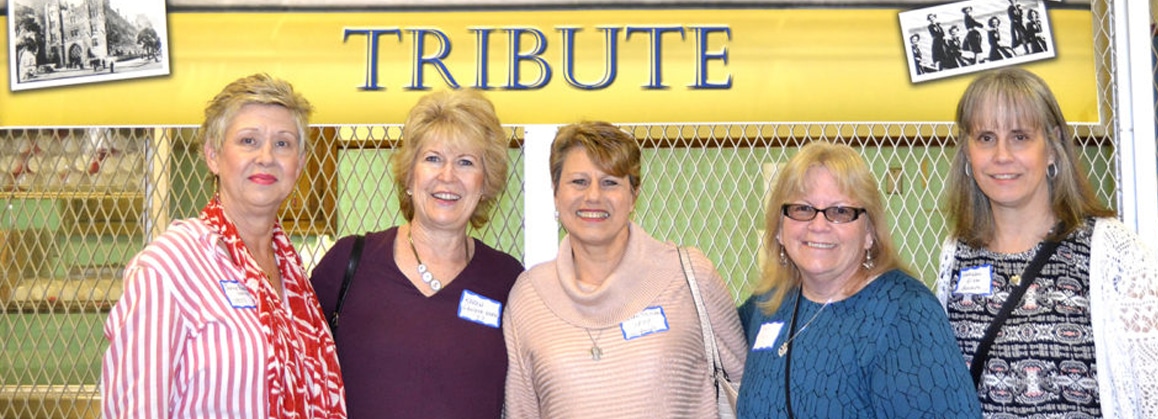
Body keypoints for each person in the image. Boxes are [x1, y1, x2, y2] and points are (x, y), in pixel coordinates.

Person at [937, 67, 1158, 418]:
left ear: (1052, 147)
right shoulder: (958, 253)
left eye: (1019, 136)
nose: (1002, 155)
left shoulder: (1116, 255)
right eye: (986, 137)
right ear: (967, 151)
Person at [101, 74, 346, 418]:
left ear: (300, 163)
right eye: (248, 140)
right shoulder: (169, 267)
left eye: (283, 143)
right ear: (213, 156)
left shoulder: (295, 278)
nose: (266, 157)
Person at [503, 121, 746, 418]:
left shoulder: (691, 276)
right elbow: (521, 411)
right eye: (579, 181)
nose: (593, 196)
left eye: (610, 182)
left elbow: (750, 394)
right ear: (556, 193)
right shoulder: (529, 297)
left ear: (633, 195)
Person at [309, 89, 523, 418]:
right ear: (409, 175)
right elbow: (295, 367)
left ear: (485, 184)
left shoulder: (506, 280)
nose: (447, 176)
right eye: (433, 159)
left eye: (465, 162)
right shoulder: (348, 263)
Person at [736, 141, 981, 418]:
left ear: (869, 233)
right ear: (779, 228)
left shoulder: (906, 315)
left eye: (840, 211)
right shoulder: (768, 305)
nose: (818, 225)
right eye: (802, 208)